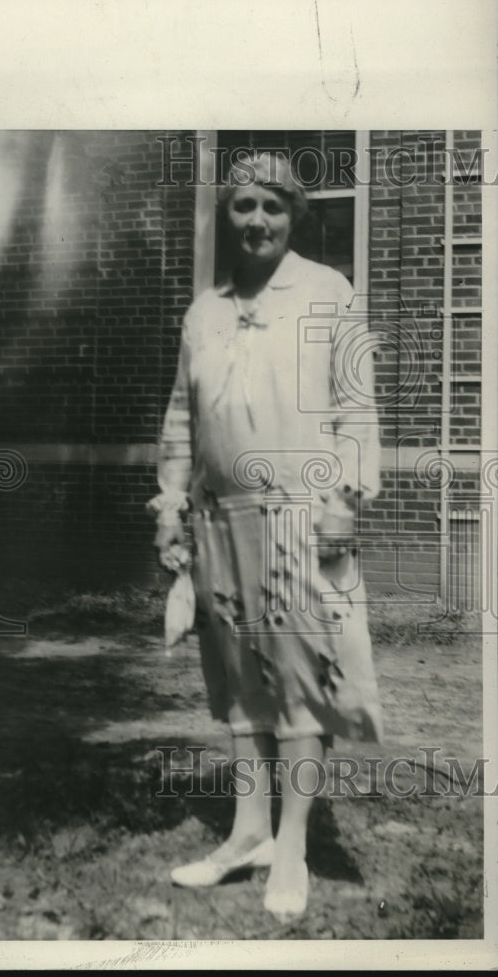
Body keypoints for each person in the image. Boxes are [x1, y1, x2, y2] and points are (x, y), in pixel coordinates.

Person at [147, 152, 382, 921]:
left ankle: (292, 845)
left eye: (272, 207)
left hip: (298, 514)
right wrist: (171, 501)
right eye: (243, 206)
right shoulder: (206, 310)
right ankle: (246, 832)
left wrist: (345, 497)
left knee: (301, 684)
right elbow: (183, 415)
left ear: (295, 214)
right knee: (241, 685)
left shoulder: (327, 292)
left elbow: (356, 406)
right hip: (221, 518)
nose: (257, 221)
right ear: (228, 213)